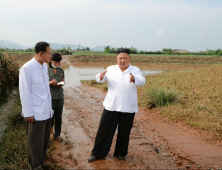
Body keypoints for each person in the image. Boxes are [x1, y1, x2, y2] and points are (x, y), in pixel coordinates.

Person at [88, 48, 146, 162]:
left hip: (128, 107)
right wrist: (99, 77)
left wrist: (134, 79)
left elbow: (142, 81)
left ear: (129, 58)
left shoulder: (135, 70)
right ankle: (98, 154)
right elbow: (100, 78)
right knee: (104, 130)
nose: (122, 60)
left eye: (125, 58)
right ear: (116, 59)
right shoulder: (111, 69)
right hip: (111, 105)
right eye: (120, 58)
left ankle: (120, 153)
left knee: (124, 131)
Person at [19, 42, 54, 170]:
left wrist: (51, 111)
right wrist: (28, 113)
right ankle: (35, 165)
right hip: (35, 113)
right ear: (41, 54)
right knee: (35, 142)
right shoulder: (27, 68)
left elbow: (45, 90)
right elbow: (24, 92)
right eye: (49, 54)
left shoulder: (44, 66)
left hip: (46, 111)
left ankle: (41, 162)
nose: (50, 56)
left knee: (44, 141)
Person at [48, 53, 65, 140]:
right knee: (51, 116)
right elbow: (42, 83)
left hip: (60, 97)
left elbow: (63, 81)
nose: (57, 64)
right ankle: (50, 132)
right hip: (50, 96)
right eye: (55, 62)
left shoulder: (61, 70)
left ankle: (57, 134)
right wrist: (51, 83)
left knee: (59, 116)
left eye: (58, 62)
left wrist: (61, 84)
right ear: (51, 61)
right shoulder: (46, 70)